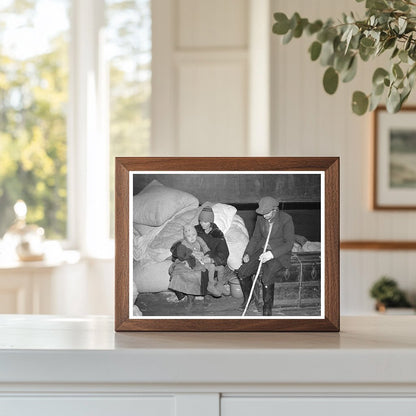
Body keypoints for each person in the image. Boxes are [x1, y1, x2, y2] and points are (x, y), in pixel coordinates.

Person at [237, 196, 295, 316]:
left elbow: (289, 243)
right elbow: (255, 237)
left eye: (267, 213)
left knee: (267, 278)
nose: (264, 216)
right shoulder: (260, 218)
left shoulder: (286, 219)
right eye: (262, 213)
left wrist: (272, 254)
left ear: (275, 210)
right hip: (261, 249)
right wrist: (247, 253)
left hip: (279, 253)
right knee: (242, 272)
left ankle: (267, 309)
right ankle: (249, 299)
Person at [195, 206, 230, 295]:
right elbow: (187, 243)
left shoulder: (217, 234)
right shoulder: (195, 230)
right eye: (200, 221)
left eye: (205, 222)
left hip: (211, 260)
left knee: (221, 267)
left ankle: (220, 285)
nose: (202, 224)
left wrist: (212, 260)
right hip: (198, 259)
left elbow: (224, 252)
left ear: (211, 222)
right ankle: (210, 286)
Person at [180, 224, 221, 297]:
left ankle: (210, 285)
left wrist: (206, 255)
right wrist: (193, 255)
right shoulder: (184, 243)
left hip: (201, 260)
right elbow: (183, 254)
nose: (192, 237)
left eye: (193, 235)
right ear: (185, 237)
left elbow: (206, 248)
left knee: (212, 266)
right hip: (192, 263)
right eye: (189, 236)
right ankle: (193, 294)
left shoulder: (198, 239)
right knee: (198, 274)